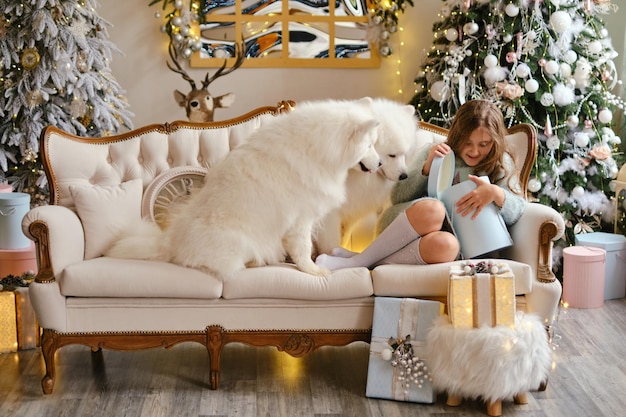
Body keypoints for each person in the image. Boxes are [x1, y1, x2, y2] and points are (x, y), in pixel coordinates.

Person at [315, 99, 527, 271]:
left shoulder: (501, 164)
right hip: (405, 228)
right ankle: (356, 264)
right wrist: (426, 168)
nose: (474, 151)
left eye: (484, 144)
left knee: (449, 246)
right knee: (435, 208)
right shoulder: (436, 151)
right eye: (468, 143)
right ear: (458, 136)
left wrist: (496, 194)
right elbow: (398, 197)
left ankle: (362, 259)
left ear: (495, 141)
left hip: (451, 245)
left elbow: (518, 209)